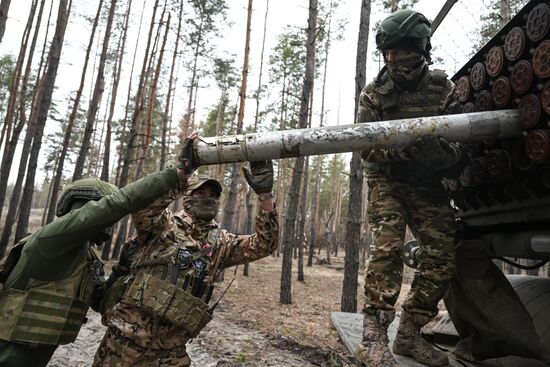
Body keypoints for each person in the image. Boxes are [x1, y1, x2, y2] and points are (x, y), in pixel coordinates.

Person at [0, 136, 199, 367]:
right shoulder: (49, 242)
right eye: (101, 217)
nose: (108, 226)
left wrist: (122, 270)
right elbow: (117, 204)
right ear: (84, 209)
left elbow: (100, 302)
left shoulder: (86, 256)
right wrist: (178, 172)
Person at [354, 9, 464, 367]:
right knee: (387, 247)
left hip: (426, 182)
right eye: (388, 53)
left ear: (420, 49)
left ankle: (410, 332)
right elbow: (366, 145)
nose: (393, 60)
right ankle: (372, 338)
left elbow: (462, 146)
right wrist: (403, 146)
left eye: (401, 51)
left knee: (443, 254)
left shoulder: (443, 90)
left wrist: (440, 155)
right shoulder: (374, 93)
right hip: (387, 180)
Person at [92, 158, 278, 366]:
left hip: (171, 351)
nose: (207, 199)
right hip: (126, 341)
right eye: (200, 193)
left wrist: (265, 196)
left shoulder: (222, 242)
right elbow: (144, 211)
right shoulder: (165, 225)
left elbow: (264, 245)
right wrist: (180, 176)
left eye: (212, 196)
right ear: (187, 197)